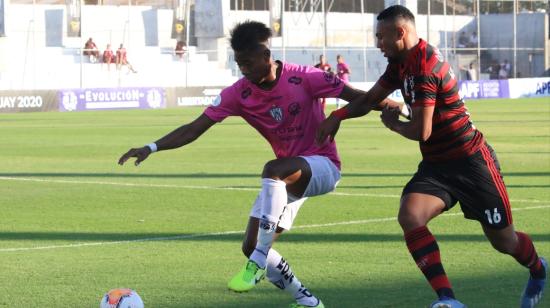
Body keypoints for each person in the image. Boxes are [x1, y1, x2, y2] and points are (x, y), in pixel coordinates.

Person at [118, 21, 405, 308]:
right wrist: (151, 147)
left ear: (266, 56)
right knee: (250, 244)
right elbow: (194, 128)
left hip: (323, 167)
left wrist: (389, 104)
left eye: (247, 63)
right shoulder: (238, 93)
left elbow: (358, 97)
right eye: (238, 64)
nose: (243, 70)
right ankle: (308, 302)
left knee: (272, 170)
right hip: (286, 180)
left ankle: (258, 261)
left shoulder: (304, 77)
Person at [316, 5, 546, 308]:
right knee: (410, 216)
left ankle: (539, 270)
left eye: (381, 37)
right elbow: (371, 98)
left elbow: (421, 131)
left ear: (400, 33)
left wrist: (394, 125)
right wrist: (338, 116)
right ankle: (448, 300)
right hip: (438, 166)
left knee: (505, 242)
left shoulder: (424, 67)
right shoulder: (401, 63)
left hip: (473, 163)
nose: (377, 44)